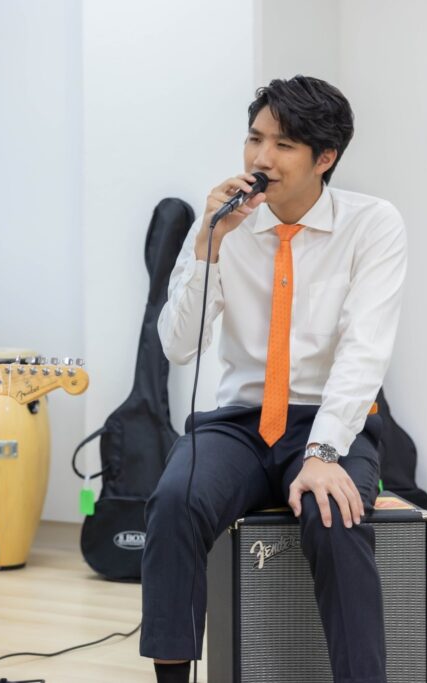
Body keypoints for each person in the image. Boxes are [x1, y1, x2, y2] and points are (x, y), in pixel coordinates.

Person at [141, 75, 407, 683]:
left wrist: (323, 452)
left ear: (325, 157)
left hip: (326, 420)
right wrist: (208, 244)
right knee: (175, 501)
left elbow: (365, 351)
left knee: (334, 513)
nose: (261, 158)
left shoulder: (373, 225)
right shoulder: (224, 224)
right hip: (239, 422)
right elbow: (178, 346)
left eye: (284, 145)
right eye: (254, 138)